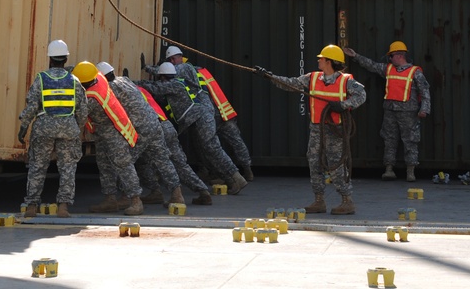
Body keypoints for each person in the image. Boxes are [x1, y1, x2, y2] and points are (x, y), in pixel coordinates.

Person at [258, 44, 367, 215]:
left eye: (322, 58)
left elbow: (361, 95)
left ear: (329, 62)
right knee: (314, 161)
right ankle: (319, 200)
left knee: (336, 164)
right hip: (317, 129)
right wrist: (269, 76)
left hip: (335, 129)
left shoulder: (346, 81)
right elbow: (291, 84)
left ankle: (347, 201)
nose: (318, 60)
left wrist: (343, 105)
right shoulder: (313, 78)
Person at [138, 62, 248, 194]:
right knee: (208, 150)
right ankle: (232, 179)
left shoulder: (174, 85)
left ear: (162, 77)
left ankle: (237, 177)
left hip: (202, 118)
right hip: (200, 119)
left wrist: (133, 82)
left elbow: (155, 88)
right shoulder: (176, 83)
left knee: (212, 148)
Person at [97, 61, 185, 209]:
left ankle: (127, 197)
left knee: (124, 162)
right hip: (154, 123)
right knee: (162, 160)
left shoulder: (110, 88)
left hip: (140, 129)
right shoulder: (125, 81)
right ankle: (177, 194)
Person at [17, 39, 88, 219]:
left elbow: (32, 106)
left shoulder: (41, 78)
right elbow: (83, 109)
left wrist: (24, 126)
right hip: (68, 128)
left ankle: (32, 205)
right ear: (65, 59)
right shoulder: (74, 81)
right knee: (67, 168)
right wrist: (76, 127)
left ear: (50, 59)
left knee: (37, 166)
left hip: (43, 128)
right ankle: (63, 206)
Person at [344, 41, 431, 182]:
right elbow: (371, 65)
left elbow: (425, 91)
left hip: (409, 113)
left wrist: (424, 109)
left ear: (399, 55)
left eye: (391, 56)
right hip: (390, 112)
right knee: (389, 140)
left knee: (410, 141)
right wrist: (355, 56)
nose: (390, 59)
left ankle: (410, 171)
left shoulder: (416, 73)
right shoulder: (388, 69)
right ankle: (389, 169)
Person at [167, 46, 254, 181]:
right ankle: (245, 170)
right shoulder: (200, 70)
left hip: (210, 114)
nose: (171, 63)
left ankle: (224, 173)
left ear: (175, 59)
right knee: (234, 141)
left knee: (207, 146)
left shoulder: (185, 70)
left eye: (171, 60)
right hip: (222, 110)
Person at [72, 61, 144, 216]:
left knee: (123, 165)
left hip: (113, 132)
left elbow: (81, 116)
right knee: (104, 166)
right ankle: (110, 200)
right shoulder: (100, 78)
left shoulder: (91, 98)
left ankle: (136, 201)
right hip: (103, 132)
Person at [136, 84, 213, 205]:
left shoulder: (127, 91)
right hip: (167, 126)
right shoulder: (142, 90)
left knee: (145, 161)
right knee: (180, 163)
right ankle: (203, 191)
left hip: (155, 128)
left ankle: (159, 192)